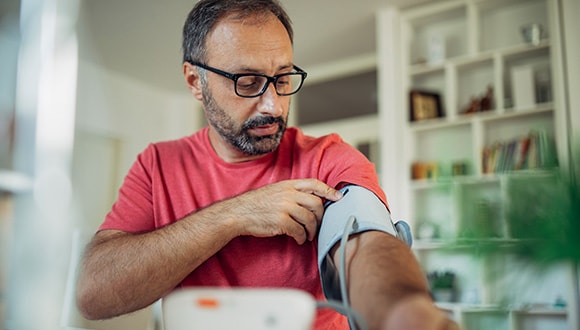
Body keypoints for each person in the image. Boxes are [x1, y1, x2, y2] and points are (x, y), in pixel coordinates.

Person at [76, 0, 457, 329]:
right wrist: (236, 214)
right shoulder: (158, 165)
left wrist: (404, 311)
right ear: (196, 81)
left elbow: (366, 244)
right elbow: (93, 293)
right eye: (247, 81)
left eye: (282, 78)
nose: (273, 105)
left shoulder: (329, 158)